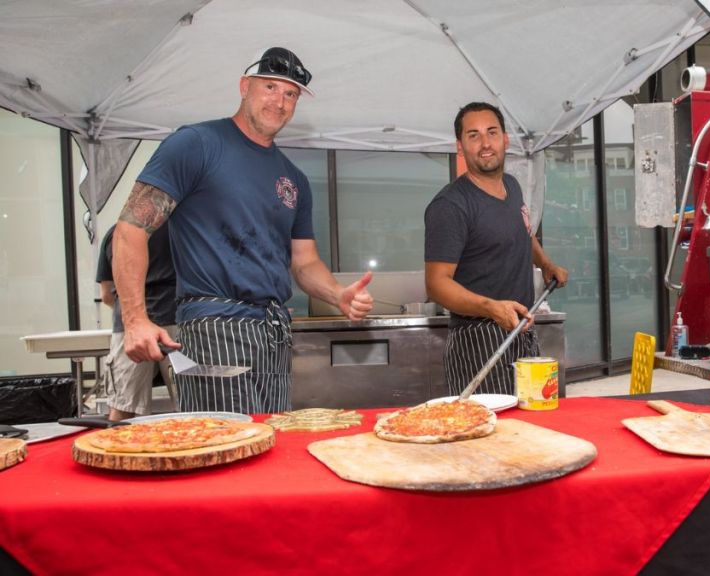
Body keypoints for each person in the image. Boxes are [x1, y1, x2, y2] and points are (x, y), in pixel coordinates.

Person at [113, 47, 374, 414]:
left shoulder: (293, 179)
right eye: (270, 87)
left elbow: (304, 262)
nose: (279, 102)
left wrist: (337, 294)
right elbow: (130, 230)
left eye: (290, 94)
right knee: (222, 448)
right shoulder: (196, 144)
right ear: (244, 86)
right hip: (213, 327)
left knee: (271, 444)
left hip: (274, 332)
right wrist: (136, 319)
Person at [424, 101, 569, 396]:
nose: (485, 143)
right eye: (473, 135)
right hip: (477, 340)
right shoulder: (451, 205)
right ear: (460, 146)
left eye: (491, 133)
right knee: (486, 436)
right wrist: (491, 307)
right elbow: (436, 285)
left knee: (531, 427)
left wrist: (545, 264)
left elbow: (523, 233)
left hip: (522, 332)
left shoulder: (512, 186)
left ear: (505, 139)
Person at [95, 223, 177, 421]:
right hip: (175, 318)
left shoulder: (116, 233)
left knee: (123, 410)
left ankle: (116, 451)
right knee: (191, 407)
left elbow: (106, 295)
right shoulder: (179, 228)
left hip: (130, 327)